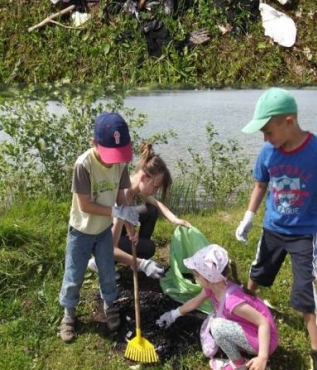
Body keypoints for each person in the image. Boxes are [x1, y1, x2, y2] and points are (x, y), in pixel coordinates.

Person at [235, 88, 317, 370]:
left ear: (289, 122)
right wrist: (249, 216)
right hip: (273, 229)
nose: (265, 138)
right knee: (257, 272)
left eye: (268, 131)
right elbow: (260, 184)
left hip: (304, 234)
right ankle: (243, 308)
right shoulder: (268, 151)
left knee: (305, 295)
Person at [58, 111, 140, 342]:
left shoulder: (120, 163)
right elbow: (84, 205)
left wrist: (129, 226)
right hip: (81, 231)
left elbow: (122, 198)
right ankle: (69, 313)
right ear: (94, 142)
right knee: (74, 274)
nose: (113, 161)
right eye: (109, 154)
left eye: (118, 155)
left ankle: (110, 305)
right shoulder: (83, 165)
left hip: (104, 231)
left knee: (107, 271)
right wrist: (115, 212)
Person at [156, 244, 277, 370]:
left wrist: (262, 357)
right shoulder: (214, 288)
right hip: (252, 331)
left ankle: (239, 364)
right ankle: (235, 346)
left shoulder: (231, 301)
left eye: (196, 276)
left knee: (217, 326)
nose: (194, 278)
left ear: (208, 277)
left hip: (264, 341)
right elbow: (195, 302)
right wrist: (173, 314)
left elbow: (263, 323)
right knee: (214, 319)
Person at [87, 141, 191, 279]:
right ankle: (100, 263)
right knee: (148, 248)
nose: (155, 191)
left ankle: (135, 259)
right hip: (102, 241)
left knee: (151, 210)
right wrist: (143, 264)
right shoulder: (121, 197)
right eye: (155, 187)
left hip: (114, 230)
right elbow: (110, 247)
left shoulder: (135, 186)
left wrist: (175, 220)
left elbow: (157, 204)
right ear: (143, 178)